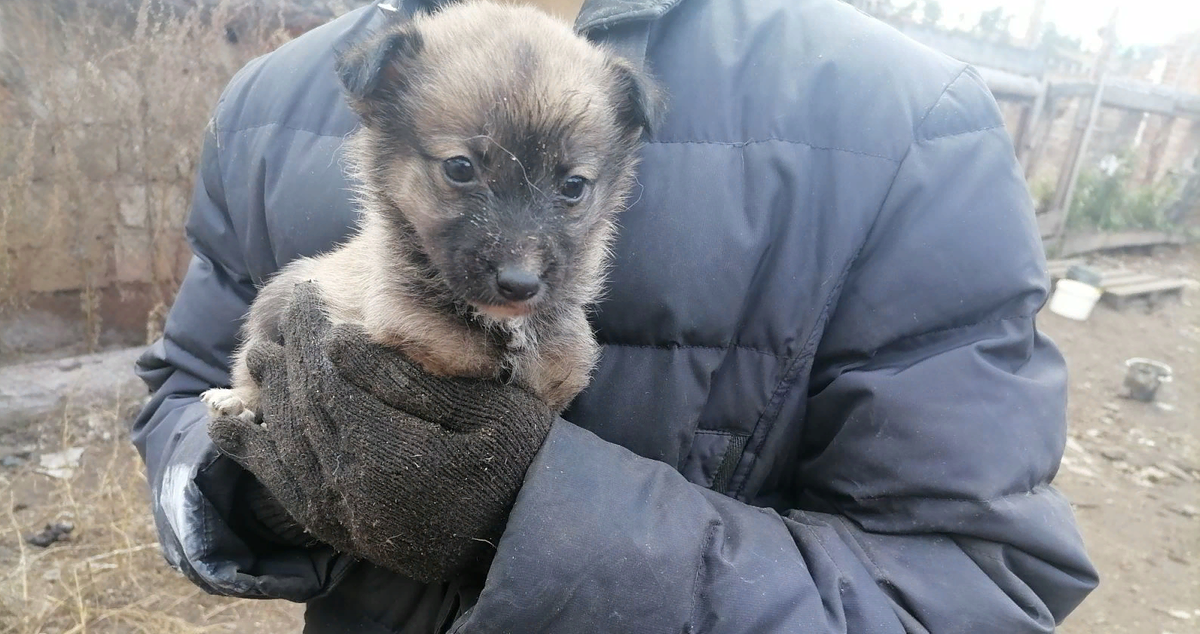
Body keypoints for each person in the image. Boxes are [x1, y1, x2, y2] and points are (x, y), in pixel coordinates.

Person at [132, 0, 1100, 631]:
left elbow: (979, 587)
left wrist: (533, 517)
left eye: (569, 191)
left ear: (624, 152)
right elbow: (182, 392)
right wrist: (252, 477)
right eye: (461, 172)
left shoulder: (905, 118)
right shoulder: (271, 97)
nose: (516, 260)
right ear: (379, 122)